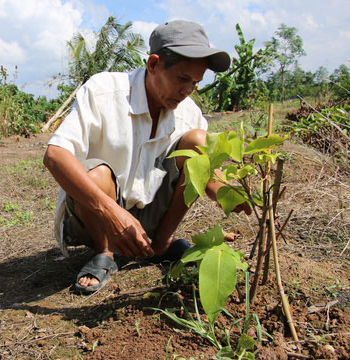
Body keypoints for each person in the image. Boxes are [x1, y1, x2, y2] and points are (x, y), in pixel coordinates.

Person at [43, 20, 251, 294]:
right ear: (153, 64)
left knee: (199, 142)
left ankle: (162, 243)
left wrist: (229, 192)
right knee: (99, 175)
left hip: (151, 211)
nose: (187, 90)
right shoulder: (105, 91)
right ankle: (105, 253)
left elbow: (204, 175)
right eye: (181, 78)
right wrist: (111, 213)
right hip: (94, 216)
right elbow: (55, 155)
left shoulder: (189, 113)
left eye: (195, 83)